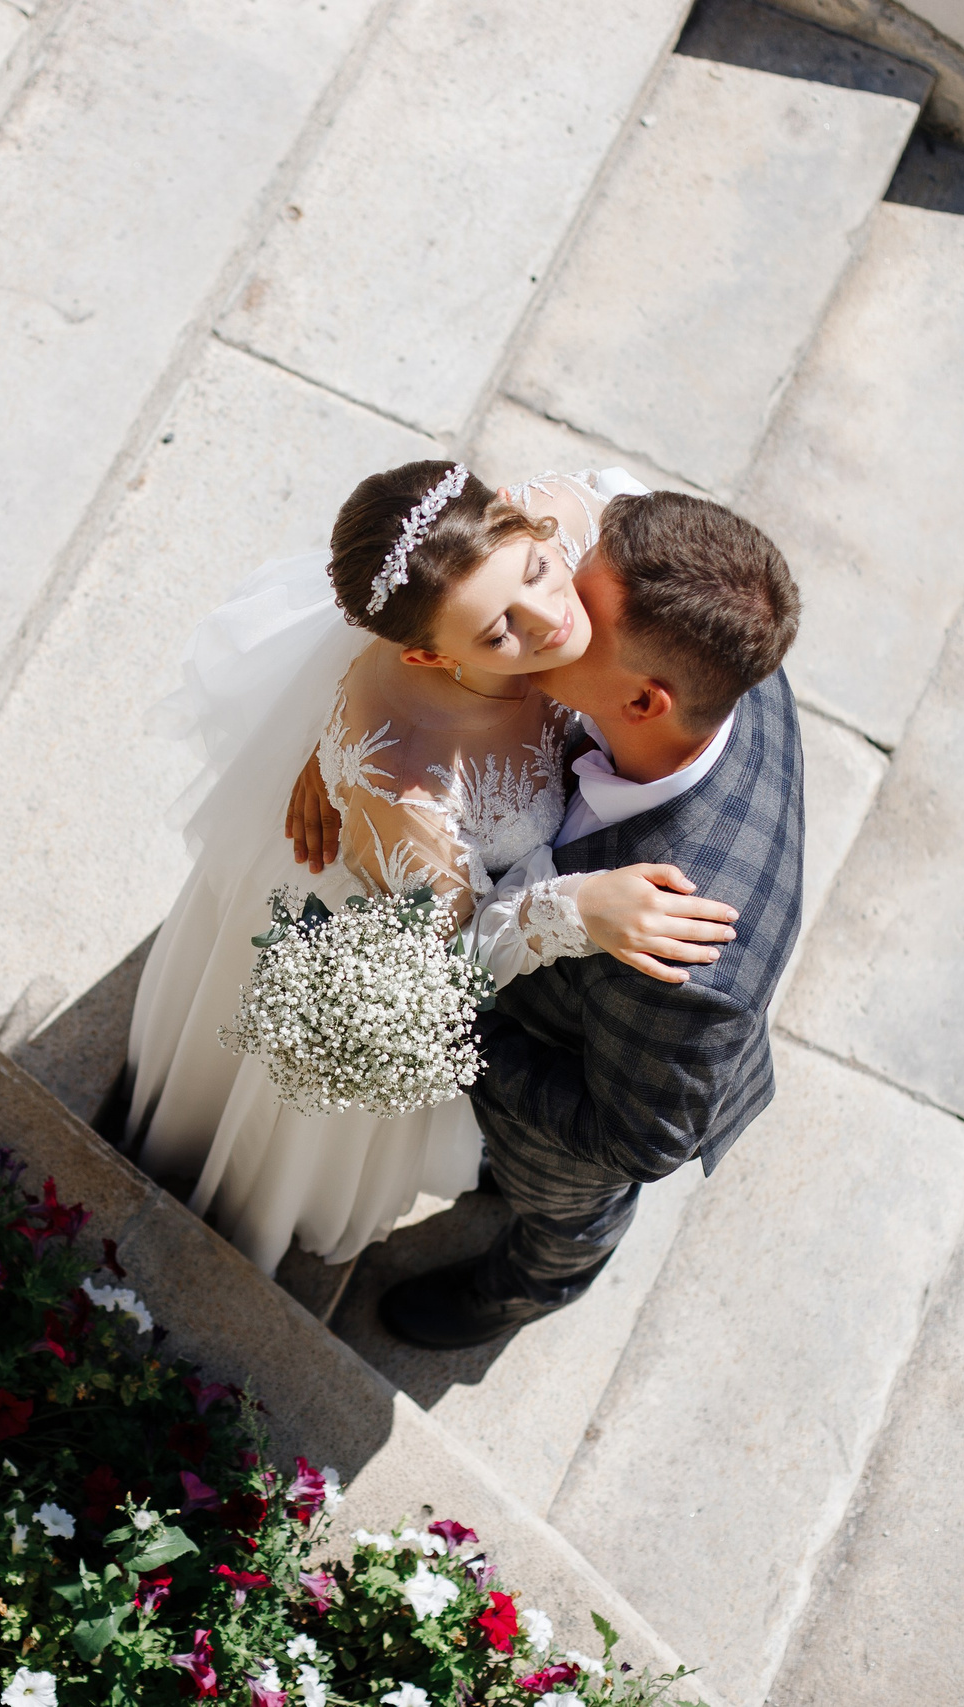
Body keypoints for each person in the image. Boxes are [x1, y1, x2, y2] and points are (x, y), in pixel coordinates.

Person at [123, 462, 739, 1278]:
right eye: (498, 634)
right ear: (422, 655)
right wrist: (577, 909)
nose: (552, 620)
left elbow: (630, 513)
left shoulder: (544, 521)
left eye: (538, 570)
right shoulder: (407, 785)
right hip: (386, 904)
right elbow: (445, 962)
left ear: (521, 521)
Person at [286, 485, 806, 1348]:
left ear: (643, 702)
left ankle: (526, 1291)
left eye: (580, 614)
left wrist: (458, 1035)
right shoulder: (721, 638)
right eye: (560, 563)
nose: (560, 611)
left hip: (570, 1116)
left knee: (565, 1216)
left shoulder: (696, 982)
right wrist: (357, 744)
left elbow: (636, 1143)